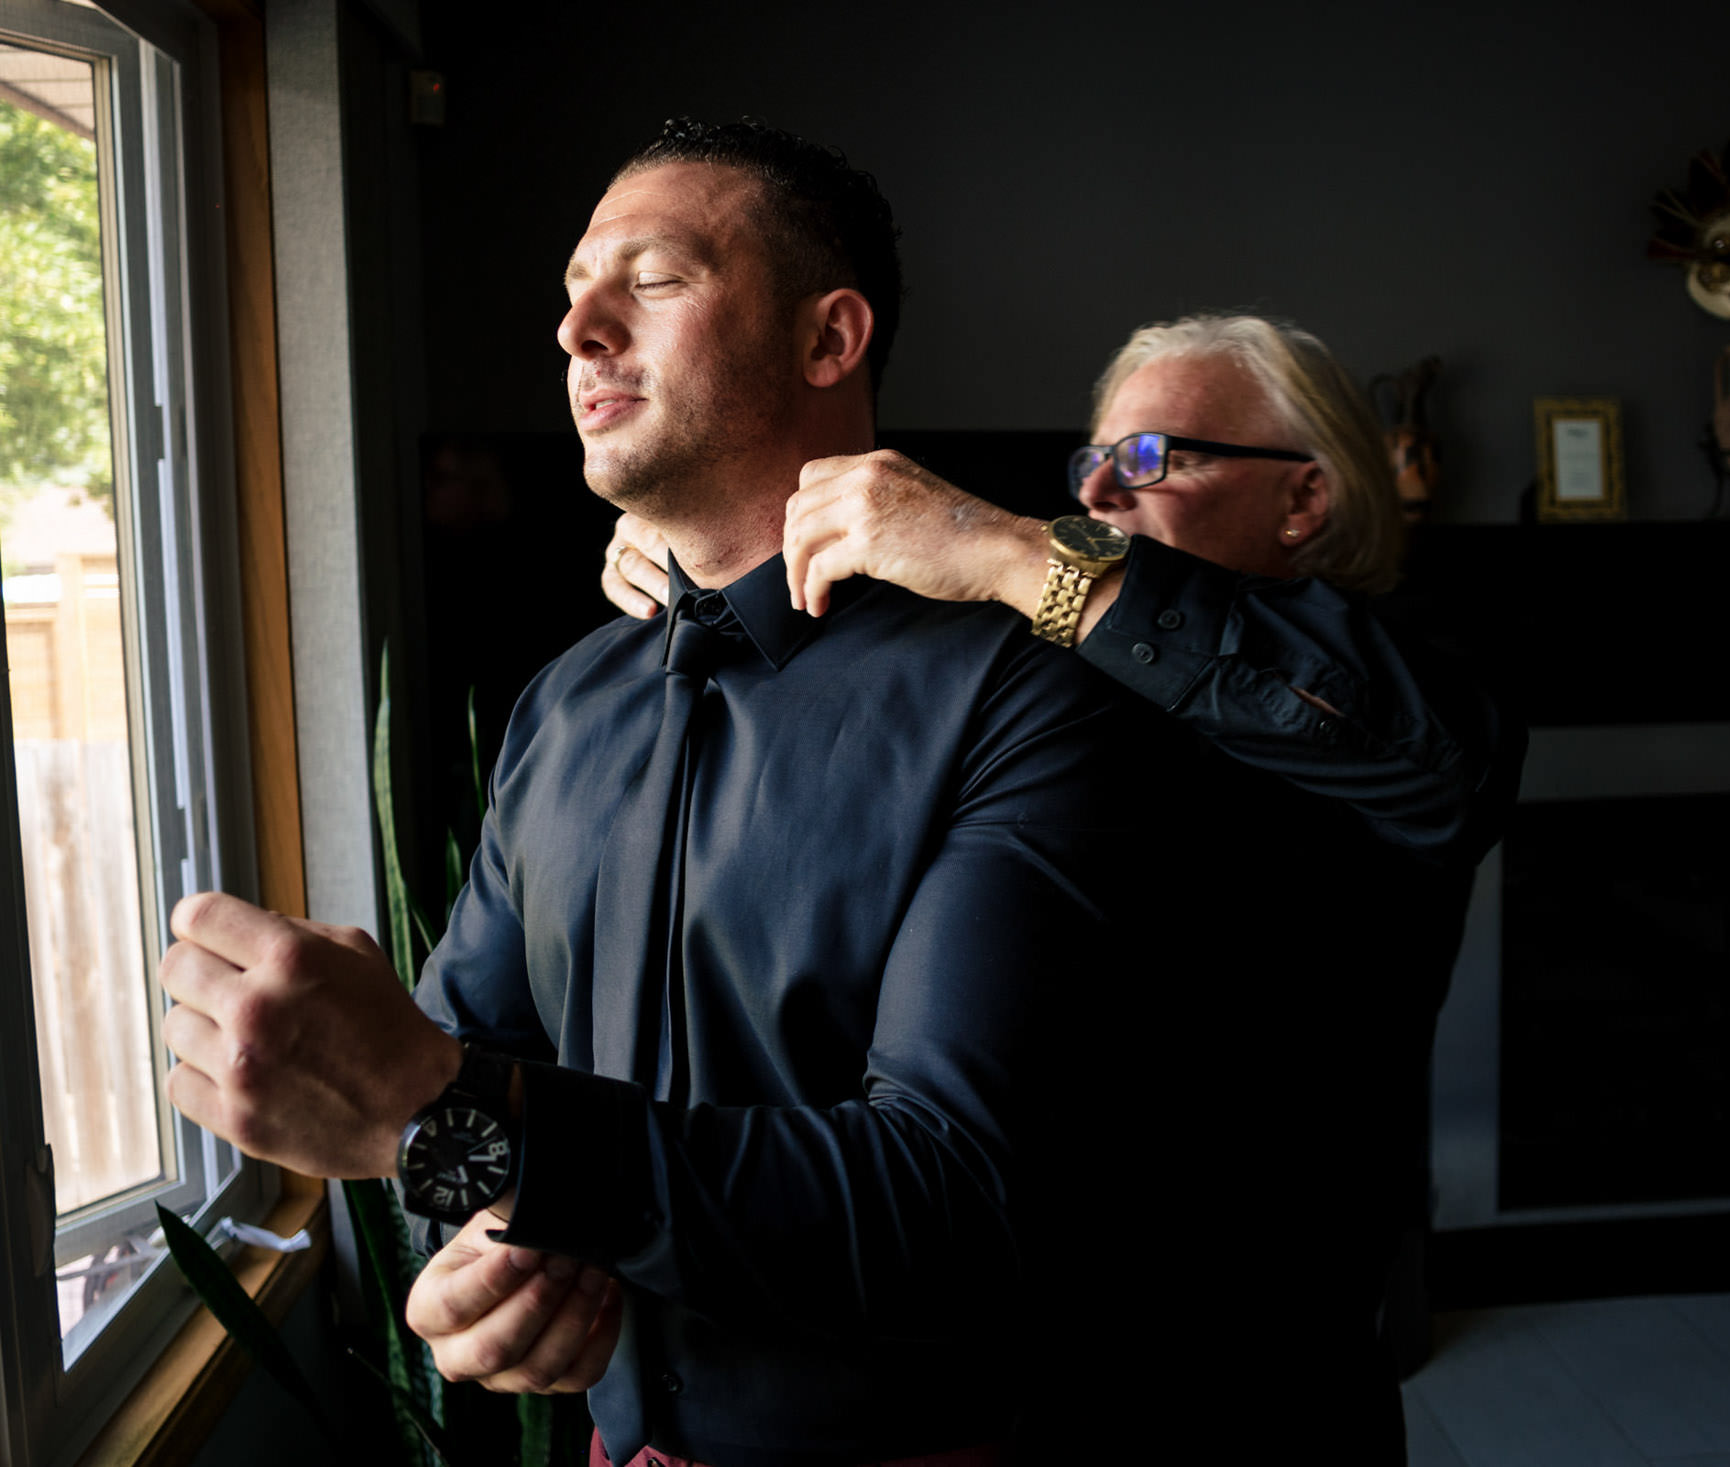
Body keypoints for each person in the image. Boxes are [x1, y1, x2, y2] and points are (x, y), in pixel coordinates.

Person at [158, 119, 1331, 1465]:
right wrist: (472, 1250)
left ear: (828, 341)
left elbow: (950, 1196)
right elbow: (464, 1064)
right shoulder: (560, 706)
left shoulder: (1031, 697)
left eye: (651, 281)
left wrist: (453, 1120)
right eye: (571, 295)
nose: (579, 330)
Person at [601, 313, 1525, 1383]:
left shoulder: (1408, 663)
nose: (1094, 498)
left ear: (1303, 498)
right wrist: (712, 551)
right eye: (1090, 462)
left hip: (1259, 1342)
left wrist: (1003, 545)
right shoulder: (1068, 667)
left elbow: (1436, 767)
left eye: (1146, 460)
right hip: (1017, 1335)